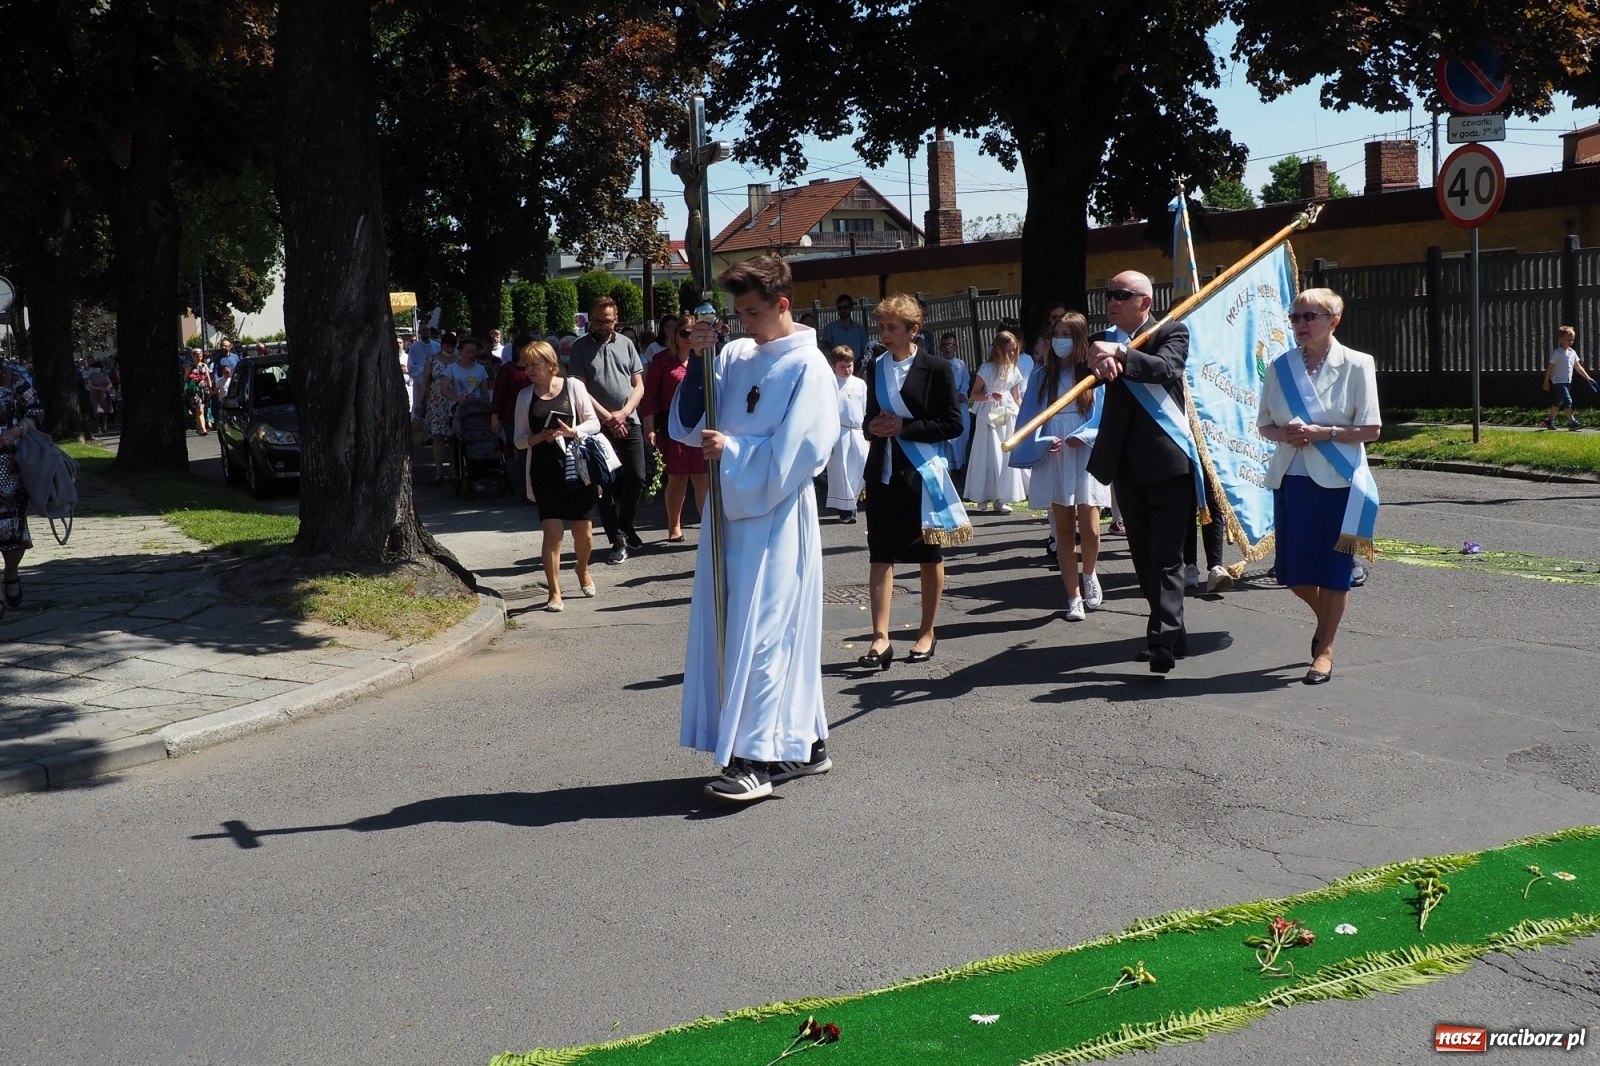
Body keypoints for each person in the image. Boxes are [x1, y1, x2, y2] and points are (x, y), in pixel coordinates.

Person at [669, 254, 839, 802]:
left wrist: (736, 452)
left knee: (767, 636)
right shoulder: (736, 353)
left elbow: (804, 454)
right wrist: (699, 356)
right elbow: (690, 421)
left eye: (752, 312)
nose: (744, 323)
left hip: (776, 517)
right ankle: (805, 744)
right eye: (737, 313)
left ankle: (759, 761)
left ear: (782, 304)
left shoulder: (809, 366)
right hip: (728, 517)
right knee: (735, 630)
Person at [1257, 287, 1381, 685]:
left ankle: (1324, 649)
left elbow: (1371, 429)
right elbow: (1264, 425)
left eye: (1310, 316)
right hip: (1291, 478)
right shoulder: (1280, 366)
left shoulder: (1358, 365)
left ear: (1334, 321)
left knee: (1332, 570)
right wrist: (1286, 433)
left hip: (1337, 481)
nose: (1301, 324)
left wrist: (1320, 432)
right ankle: (1325, 619)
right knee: (1292, 573)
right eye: (1295, 317)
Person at [1084, 271, 1198, 674]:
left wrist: (1121, 355)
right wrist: (1098, 358)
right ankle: (1173, 633)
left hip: (1168, 465)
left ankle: (1162, 640)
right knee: (1143, 557)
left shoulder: (1173, 331)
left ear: (1145, 302)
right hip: (1126, 466)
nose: (1112, 300)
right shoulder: (1104, 339)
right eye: (1108, 293)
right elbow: (1091, 371)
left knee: (1167, 558)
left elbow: (1167, 369)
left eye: (1121, 294)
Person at [859, 292, 966, 670]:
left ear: (913, 330)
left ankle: (926, 631)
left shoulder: (936, 368)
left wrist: (905, 426)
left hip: (921, 475)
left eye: (892, 328)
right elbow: (870, 418)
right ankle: (880, 637)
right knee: (880, 554)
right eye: (882, 327)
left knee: (926, 554)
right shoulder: (875, 368)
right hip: (883, 473)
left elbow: (953, 424)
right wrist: (871, 426)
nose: (885, 334)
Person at [1013, 312, 1107, 620]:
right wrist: (1042, 441)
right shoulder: (1041, 376)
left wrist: (1088, 435)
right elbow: (1029, 419)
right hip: (1055, 453)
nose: (1059, 340)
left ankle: (1090, 574)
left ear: (1079, 338)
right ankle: (1073, 596)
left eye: (1067, 334)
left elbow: (1105, 415)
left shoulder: (1093, 373)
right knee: (1064, 530)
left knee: (1090, 529)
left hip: (1084, 453)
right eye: (1057, 334)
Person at [513, 340, 601, 612]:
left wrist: (572, 431)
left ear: (551, 365)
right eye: (526, 365)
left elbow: (594, 422)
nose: (529, 370)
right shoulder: (525, 396)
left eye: (534, 364)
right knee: (552, 532)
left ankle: (582, 569)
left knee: (583, 533)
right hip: (544, 469)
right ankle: (554, 592)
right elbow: (518, 439)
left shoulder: (574, 386)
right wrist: (538, 437)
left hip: (577, 468)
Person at [568, 297, 647, 564]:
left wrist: (624, 413)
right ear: (590, 319)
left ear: (616, 318)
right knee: (604, 484)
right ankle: (617, 539)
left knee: (637, 477)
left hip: (630, 420)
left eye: (609, 320)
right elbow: (580, 389)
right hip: (597, 426)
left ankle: (624, 526)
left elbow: (639, 385)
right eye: (599, 320)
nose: (603, 325)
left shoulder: (626, 343)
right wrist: (608, 418)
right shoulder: (580, 347)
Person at [640, 317, 708, 542]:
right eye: (684, 333)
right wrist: (649, 428)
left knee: (702, 478)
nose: (689, 338)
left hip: (701, 426)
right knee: (677, 478)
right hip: (672, 426)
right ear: (675, 335)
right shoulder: (661, 360)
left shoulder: (708, 359)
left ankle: (707, 526)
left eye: (693, 333)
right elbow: (649, 397)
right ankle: (674, 526)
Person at [965, 329, 1028, 512]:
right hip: (989, 414)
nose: (1012, 354)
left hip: (1007, 413)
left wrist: (1025, 413)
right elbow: (974, 394)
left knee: (1005, 454)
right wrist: (990, 396)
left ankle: (1001, 497)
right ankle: (983, 494)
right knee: (988, 454)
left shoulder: (1013, 369)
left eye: (1014, 350)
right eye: (1009, 350)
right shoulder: (986, 369)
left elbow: (1016, 396)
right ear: (998, 349)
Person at [0, 363, 44, 619]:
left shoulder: (11, 376)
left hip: (10, 465)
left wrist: (16, 431)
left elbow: (36, 411)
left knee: (12, 532)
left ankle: (11, 571)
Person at [491, 337, 539, 503]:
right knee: (522, 453)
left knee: (535, 453)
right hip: (512, 417)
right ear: (519, 349)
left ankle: (537, 489)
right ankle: (525, 490)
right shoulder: (507, 370)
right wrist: (494, 418)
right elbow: (498, 395)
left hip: (534, 415)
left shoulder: (534, 369)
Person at [824, 345, 868, 523]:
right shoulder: (829, 385)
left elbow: (865, 408)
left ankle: (854, 501)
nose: (847, 369)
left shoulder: (860, 384)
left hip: (857, 431)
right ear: (833, 366)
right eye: (842, 366)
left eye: (849, 365)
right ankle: (845, 509)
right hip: (838, 432)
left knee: (859, 467)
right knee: (840, 470)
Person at [423, 331, 461, 483]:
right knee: (438, 436)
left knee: (453, 436)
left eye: (452, 346)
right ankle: (438, 471)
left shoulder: (459, 360)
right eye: (447, 345)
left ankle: (453, 470)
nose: (449, 349)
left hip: (453, 399)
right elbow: (425, 382)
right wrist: (421, 401)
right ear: (441, 345)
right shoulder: (432, 359)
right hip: (436, 401)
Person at [1544, 325, 1594, 431]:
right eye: (1568, 339)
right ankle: (1572, 422)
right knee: (1568, 399)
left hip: (1567, 381)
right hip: (1558, 381)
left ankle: (1549, 420)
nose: (1570, 342)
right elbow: (1550, 368)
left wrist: (1587, 378)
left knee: (1558, 401)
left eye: (1572, 340)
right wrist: (1546, 381)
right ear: (1560, 339)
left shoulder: (1572, 353)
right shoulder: (1556, 353)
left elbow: (1578, 366)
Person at [937, 332, 972, 470]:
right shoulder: (937, 364)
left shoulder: (960, 364)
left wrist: (962, 393)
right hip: (945, 405)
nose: (947, 348)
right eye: (944, 345)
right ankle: (949, 466)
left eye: (950, 345)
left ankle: (961, 463)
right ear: (940, 347)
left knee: (963, 433)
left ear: (955, 347)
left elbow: (966, 380)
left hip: (960, 404)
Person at [820, 294, 869, 367]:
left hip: (856, 368)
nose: (842, 310)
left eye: (845, 307)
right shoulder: (830, 328)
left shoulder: (859, 329)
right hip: (837, 368)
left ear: (851, 308)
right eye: (839, 308)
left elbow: (865, 350)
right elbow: (826, 351)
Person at [183, 349, 213, 435]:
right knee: (200, 409)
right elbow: (185, 379)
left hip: (203, 390)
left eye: (200, 356)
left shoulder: (204, 366)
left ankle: (198, 428)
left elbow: (207, 377)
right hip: (194, 391)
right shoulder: (189, 367)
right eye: (197, 356)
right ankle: (203, 429)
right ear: (193, 356)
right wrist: (193, 379)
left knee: (201, 410)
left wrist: (210, 388)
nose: (199, 358)